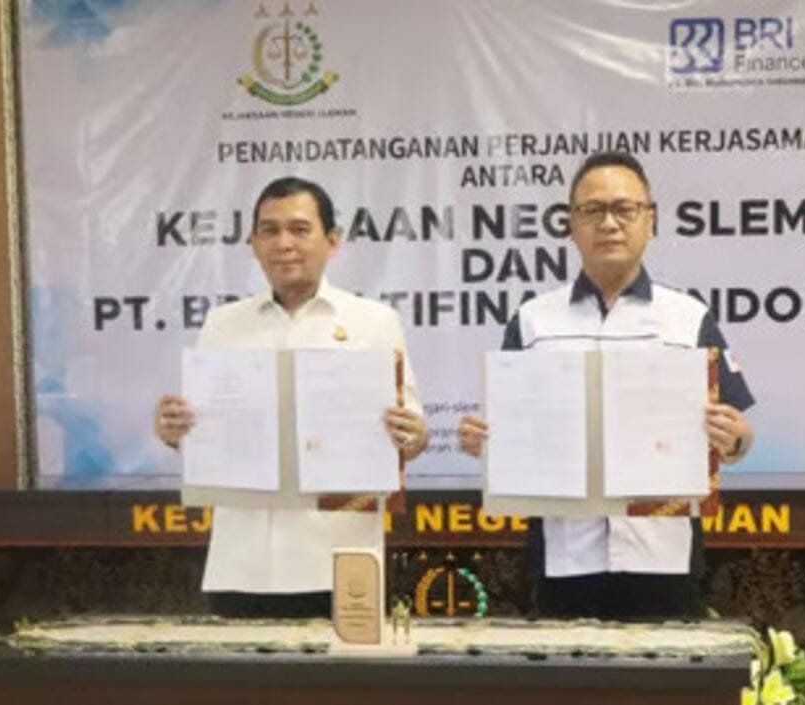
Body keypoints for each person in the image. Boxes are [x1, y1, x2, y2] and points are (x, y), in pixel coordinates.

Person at [457, 151, 754, 621]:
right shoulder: (533, 321)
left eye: (625, 209)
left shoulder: (688, 318)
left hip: (664, 555)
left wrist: (734, 438)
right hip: (564, 555)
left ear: (650, 219)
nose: (609, 223)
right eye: (593, 210)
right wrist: (486, 441)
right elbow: (511, 431)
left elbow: (739, 436)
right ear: (571, 224)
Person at [154, 176, 428, 618]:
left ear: (332, 241)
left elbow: (410, 437)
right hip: (241, 562)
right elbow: (204, 434)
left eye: (300, 229)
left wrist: (413, 436)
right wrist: (175, 431)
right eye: (270, 230)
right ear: (253, 243)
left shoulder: (374, 322)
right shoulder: (223, 324)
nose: (284, 244)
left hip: (341, 559)